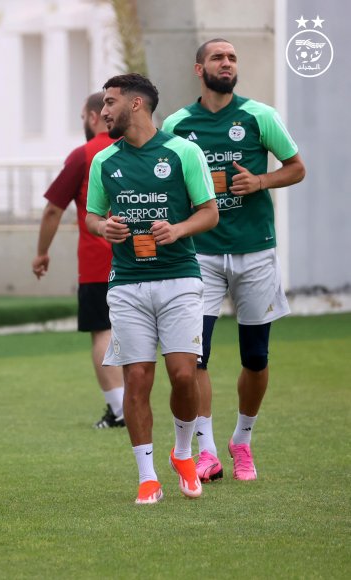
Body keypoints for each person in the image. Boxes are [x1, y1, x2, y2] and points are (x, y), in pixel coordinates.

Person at [162, 39, 306, 482]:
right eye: (218, 58)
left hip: (255, 249)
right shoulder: (176, 123)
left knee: (256, 358)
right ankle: (206, 451)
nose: (227, 64)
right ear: (198, 68)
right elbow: (167, 183)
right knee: (196, 357)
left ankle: (241, 440)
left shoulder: (259, 115)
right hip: (199, 255)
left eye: (232, 58)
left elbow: (297, 167)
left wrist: (260, 181)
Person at [85, 73, 218, 504]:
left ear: (137, 104)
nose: (103, 111)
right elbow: (91, 217)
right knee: (137, 378)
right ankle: (147, 477)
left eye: (110, 102)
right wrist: (105, 226)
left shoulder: (183, 152)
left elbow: (210, 213)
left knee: (183, 375)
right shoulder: (104, 161)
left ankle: (182, 454)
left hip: (180, 278)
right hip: (127, 284)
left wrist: (178, 229)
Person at [32, 92, 125, 428]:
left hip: (99, 263)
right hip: (145, 259)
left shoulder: (84, 154)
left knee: (102, 332)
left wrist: (42, 252)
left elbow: (53, 208)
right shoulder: (137, 147)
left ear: (91, 116)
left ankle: (120, 410)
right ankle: (134, 406)